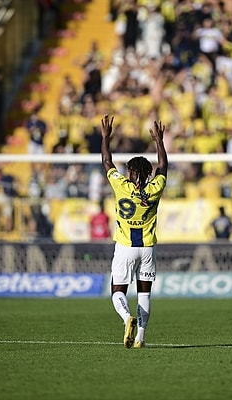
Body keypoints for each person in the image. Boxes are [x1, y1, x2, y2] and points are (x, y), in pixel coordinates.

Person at [100, 114, 168, 349]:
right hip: (147, 248)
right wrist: (159, 141)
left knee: (117, 290)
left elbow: (107, 162)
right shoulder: (155, 188)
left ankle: (125, 317)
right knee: (144, 294)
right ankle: (140, 338)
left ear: (129, 172)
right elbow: (164, 166)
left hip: (125, 248)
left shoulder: (121, 186)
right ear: (148, 174)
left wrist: (105, 138)